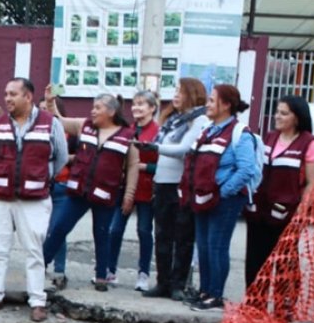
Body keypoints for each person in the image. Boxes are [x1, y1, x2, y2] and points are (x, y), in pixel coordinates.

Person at [0, 77, 68, 323]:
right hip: (1, 197)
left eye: (13, 94)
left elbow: (61, 157)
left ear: (28, 97)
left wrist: (40, 178)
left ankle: (37, 301)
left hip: (34, 199)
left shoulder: (50, 123)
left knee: (34, 251)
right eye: (6, 93)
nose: (7, 98)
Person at [180, 83, 261, 311]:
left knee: (217, 246)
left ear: (226, 105)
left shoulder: (239, 133)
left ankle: (216, 294)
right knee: (204, 245)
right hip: (204, 197)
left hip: (224, 200)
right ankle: (205, 290)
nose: (207, 105)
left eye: (212, 100)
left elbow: (246, 169)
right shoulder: (208, 130)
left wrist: (223, 192)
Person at [45, 93, 134, 291]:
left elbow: (132, 167)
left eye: (98, 107)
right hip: (79, 190)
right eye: (93, 107)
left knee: (102, 234)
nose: (92, 111)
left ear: (111, 112)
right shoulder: (84, 125)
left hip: (105, 193)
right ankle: (40, 264)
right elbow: (59, 121)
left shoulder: (127, 135)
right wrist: (50, 102)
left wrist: (129, 195)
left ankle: (101, 276)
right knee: (59, 228)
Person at [243, 94, 314, 296]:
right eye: (277, 112)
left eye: (284, 113)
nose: (277, 116)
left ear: (297, 117)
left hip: (286, 214)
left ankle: (283, 306)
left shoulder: (311, 144)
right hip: (259, 211)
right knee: (254, 260)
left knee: (284, 262)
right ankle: (254, 305)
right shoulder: (269, 137)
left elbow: (313, 183)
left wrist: (301, 214)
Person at [144, 78, 210, 300]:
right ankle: (162, 282)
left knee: (182, 235)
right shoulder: (173, 120)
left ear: (192, 93)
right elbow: (163, 144)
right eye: (175, 90)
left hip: (180, 184)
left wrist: (155, 147)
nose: (175, 95)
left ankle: (177, 284)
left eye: (180, 91)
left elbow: (183, 150)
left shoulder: (199, 120)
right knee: (161, 234)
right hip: (162, 182)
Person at [108, 89, 161, 291]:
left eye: (141, 104)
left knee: (144, 231)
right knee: (115, 229)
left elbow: (163, 165)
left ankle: (143, 274)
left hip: (147, 189)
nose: (136, 107)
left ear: (152, 108)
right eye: (134, 103)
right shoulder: (127, 130)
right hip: (125, 187)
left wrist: (142, 167)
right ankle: (110, 270)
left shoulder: (158, 132)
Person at [41, 83, 73, 290]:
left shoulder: (68, 131)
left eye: (48, 108)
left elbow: (80, 155)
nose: (44, 113)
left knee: (58, 228)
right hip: (41, 186)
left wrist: (57, 160)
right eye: (41, 109)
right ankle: (41, 267)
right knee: (41, 230)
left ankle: (59, 270)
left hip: (62, 184)